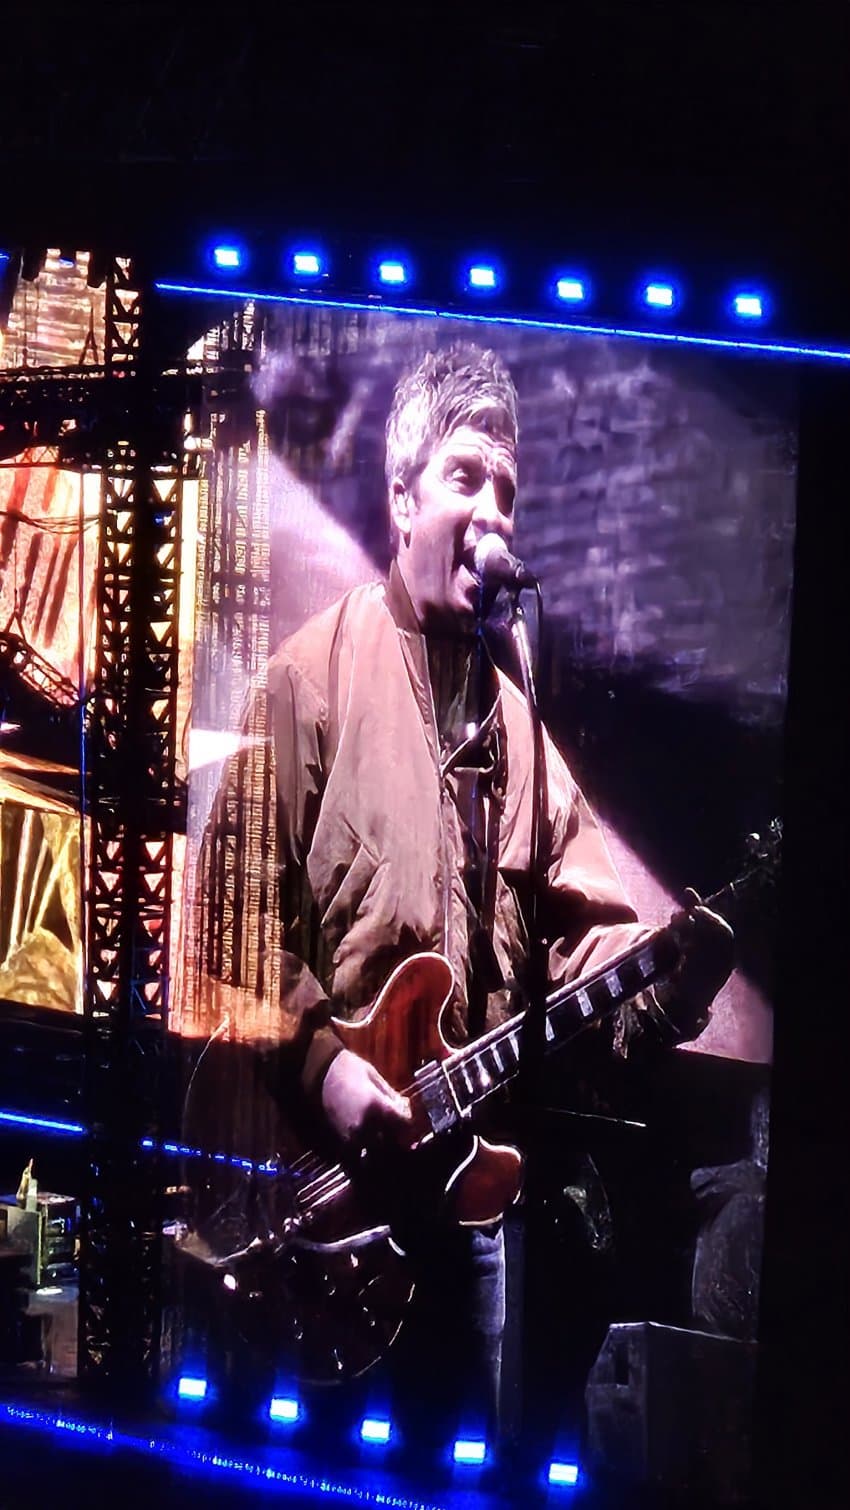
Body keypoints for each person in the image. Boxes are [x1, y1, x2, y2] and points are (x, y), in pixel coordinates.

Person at [198, 342, 734, 1443]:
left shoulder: (520, 733)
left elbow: (592, 962)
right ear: (402, 499)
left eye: (507, 490)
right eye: (464, 478)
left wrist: (679, 980)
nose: (492, 510)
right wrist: (326, 1066)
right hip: (313, 1202)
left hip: (463, 1213)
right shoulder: (311, 677)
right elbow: (227, 916)